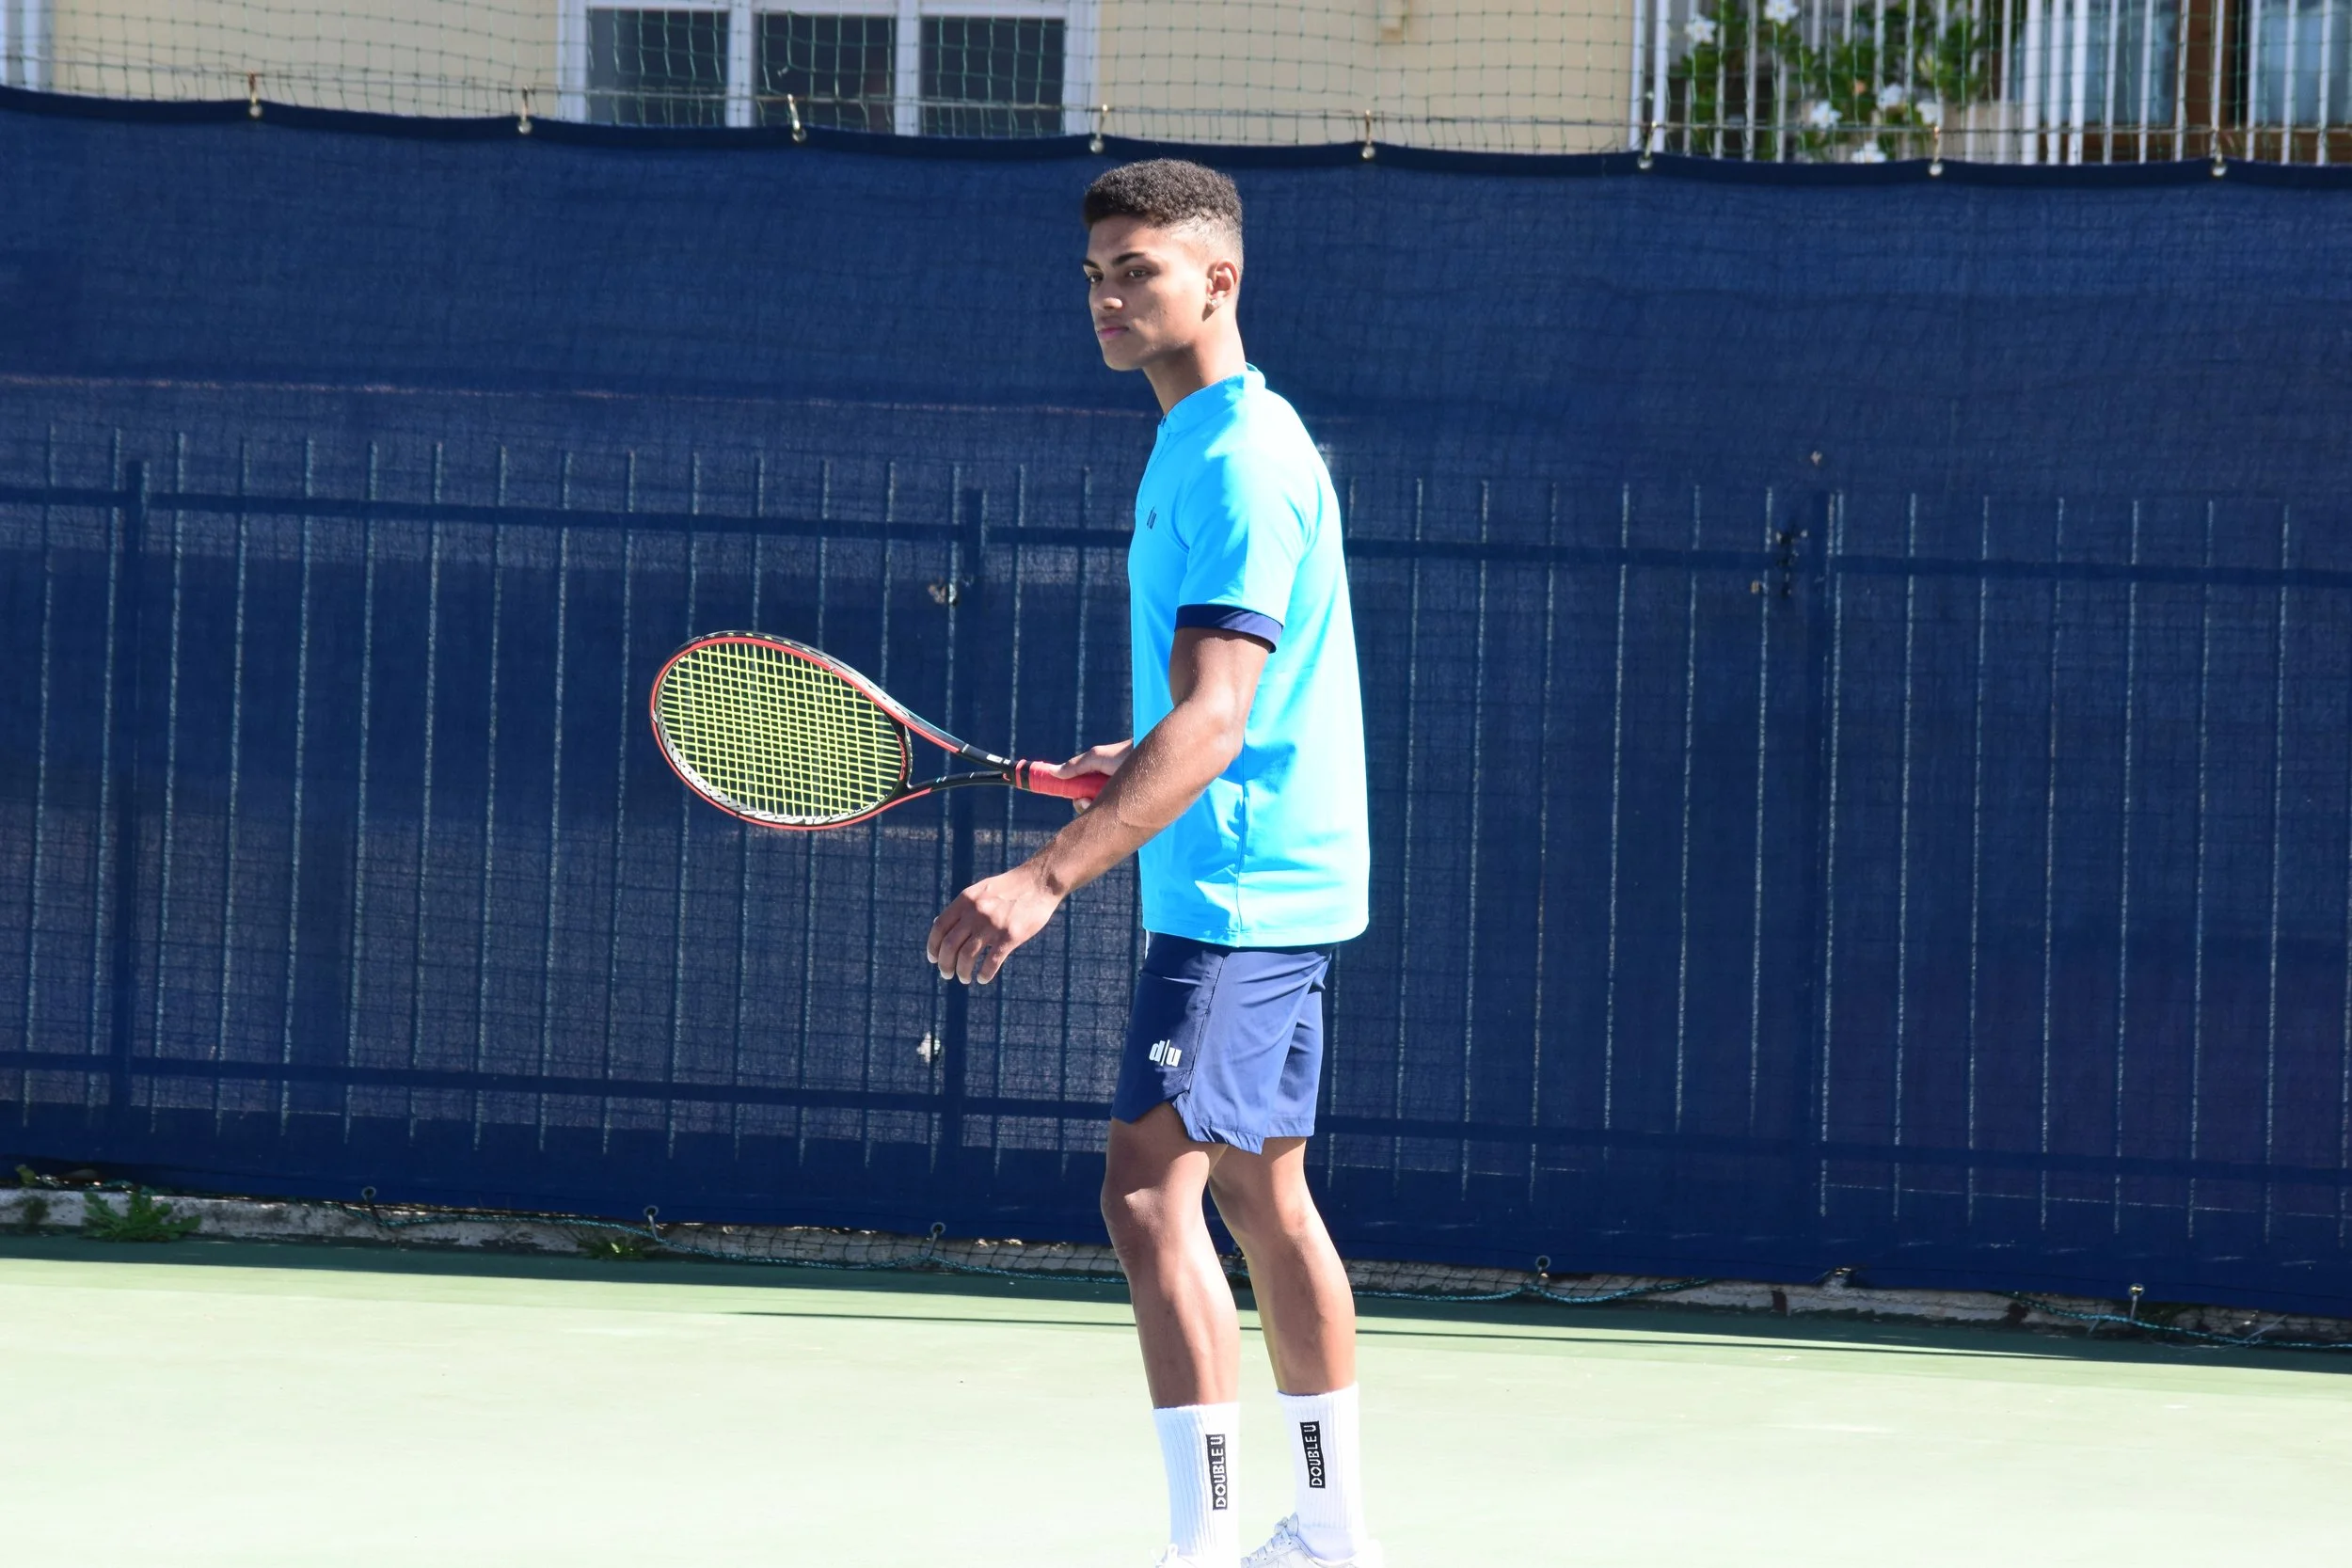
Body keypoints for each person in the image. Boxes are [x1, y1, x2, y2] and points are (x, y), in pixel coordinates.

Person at [923, 158, 1378, 1568]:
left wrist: (1045, 875)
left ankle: (1213, 1541)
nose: (1111, 299)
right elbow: (1221, 706)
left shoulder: (1239, 460)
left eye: (1142, 272)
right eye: (1097, 274)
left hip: (1238, 888)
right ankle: (1331, 1529)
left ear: (1218, 281)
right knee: (1261, 1191)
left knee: (1145, 1190)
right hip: (1271, 869)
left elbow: (1224, 714)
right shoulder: (1210, 436)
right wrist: (1140, 756)